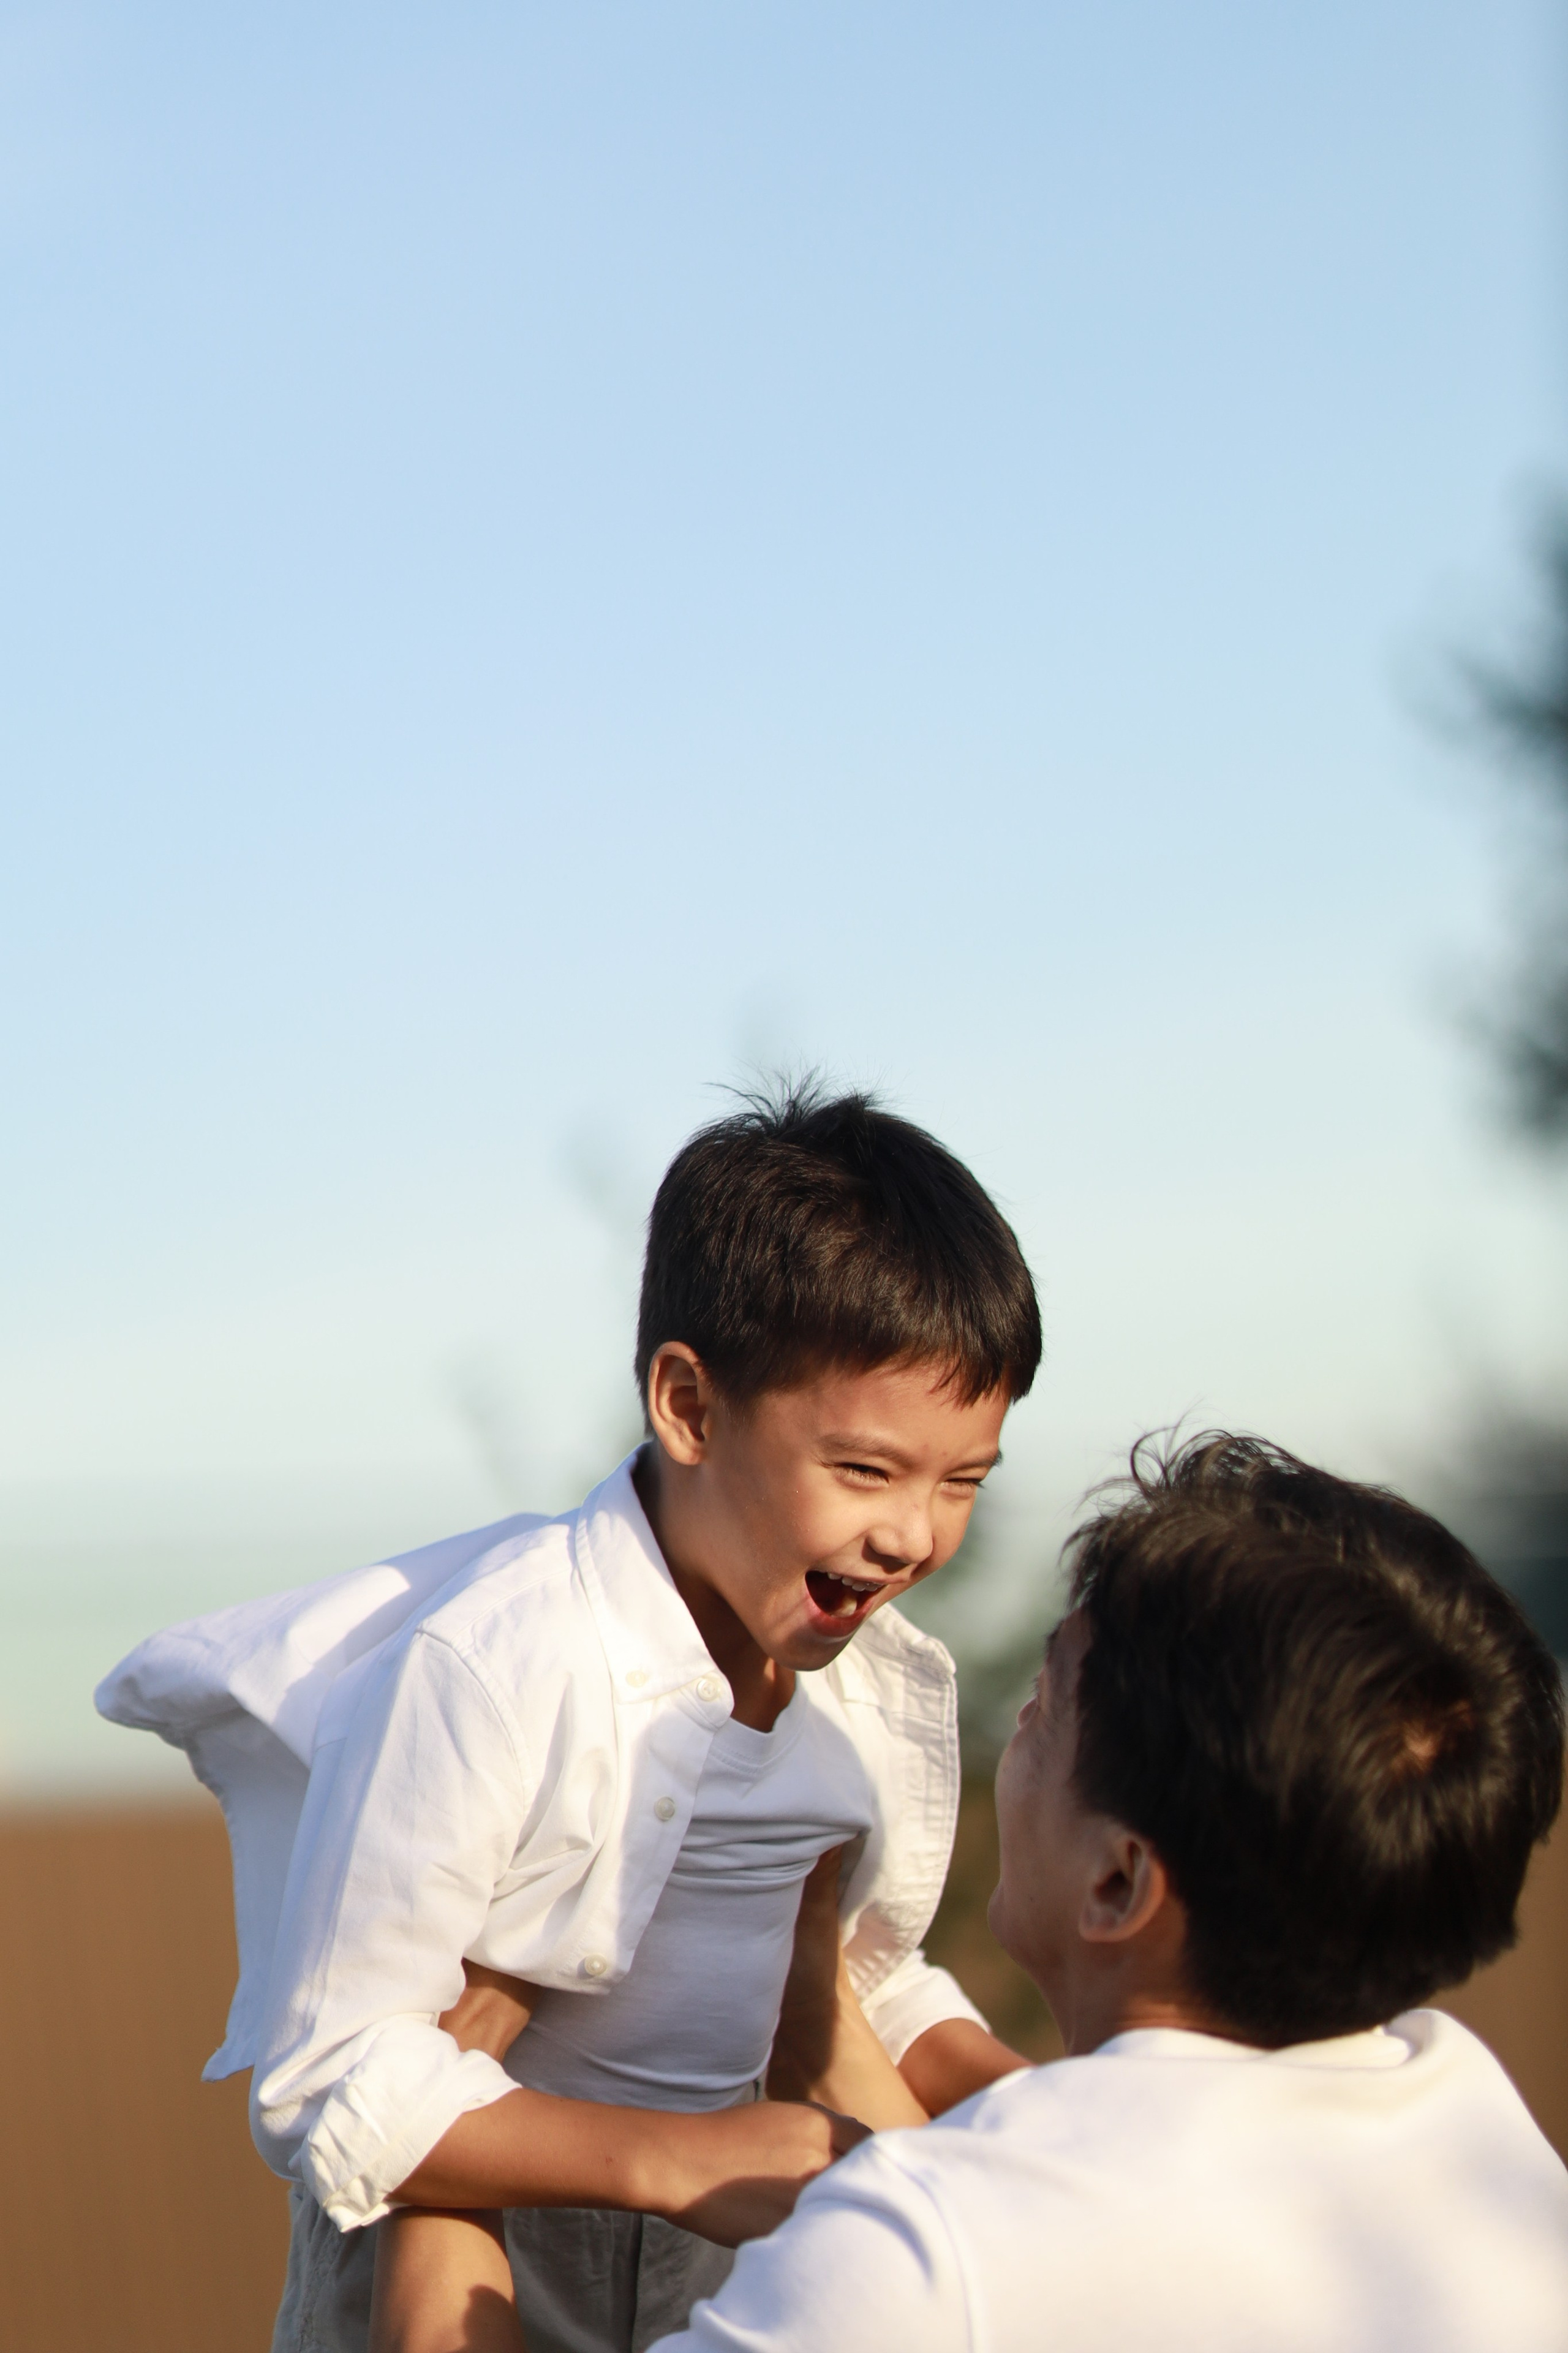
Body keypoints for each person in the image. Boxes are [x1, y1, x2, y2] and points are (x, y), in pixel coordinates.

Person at [96, 1082, 1043, 2353]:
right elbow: (330, 2082)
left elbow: (858, 1987)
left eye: (962, 1481)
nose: (912, 1533)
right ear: (688, 1407)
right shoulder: (496, 1663)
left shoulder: (870, 1690)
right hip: (475, 2239)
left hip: (735, 2246)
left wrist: (1049, 2112)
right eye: (865, 1470)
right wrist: (678, 2158)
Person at [649, 1432, 1568, 2353]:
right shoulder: (1495, 2156)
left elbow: (989, 2228)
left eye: (1047, 1704)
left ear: (1118, 1880)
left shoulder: (916, 2255)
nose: (1019, 1722)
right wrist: (818, 2006)